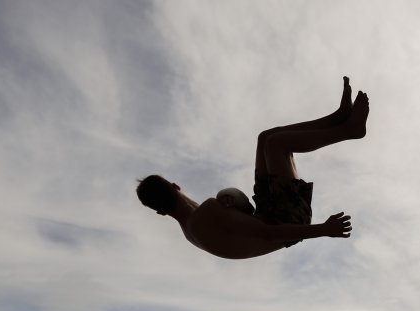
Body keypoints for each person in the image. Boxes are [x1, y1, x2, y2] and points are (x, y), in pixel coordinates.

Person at [136, 77, 369, 260]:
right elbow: (265, 233)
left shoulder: (194, 228)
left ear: (160, 212)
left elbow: (246, 212)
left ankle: (337, 118)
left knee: (266, 138)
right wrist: (324, 229)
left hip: (269, 212)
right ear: (175, 185)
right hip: (287, 221)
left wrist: (231, 198)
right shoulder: (204, 215)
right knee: (277, 145)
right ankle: (348, 130)